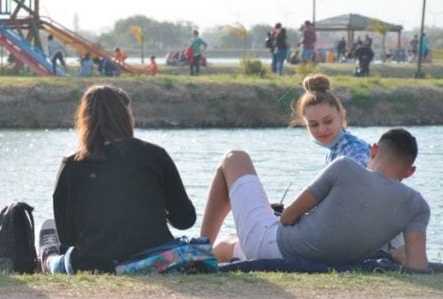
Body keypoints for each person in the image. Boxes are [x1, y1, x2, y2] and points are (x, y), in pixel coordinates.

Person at [200, 128, 430, 271]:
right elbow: (418, 265)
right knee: (230, 242)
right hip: (325, 259)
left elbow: (288, 217)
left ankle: (199, 250)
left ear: (373, 150)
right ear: (410, 172)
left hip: (278, 246)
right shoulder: (417, 206)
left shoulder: (345, 167)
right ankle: (208, 252)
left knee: (234, 158)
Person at [39, 84, 196, 274]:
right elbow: (185, 220)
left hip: (93, 264)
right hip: (155, 260)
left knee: (60, 260)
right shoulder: (154, 155)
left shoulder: (71, 164)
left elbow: (67, 237)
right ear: (125, 117)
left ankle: (48, 259)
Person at [292, 73, 370, 167]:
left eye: (328, 121)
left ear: (341, 115)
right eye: (314, 125)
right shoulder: (333, 152)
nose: (322, 129)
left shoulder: (356, 153)